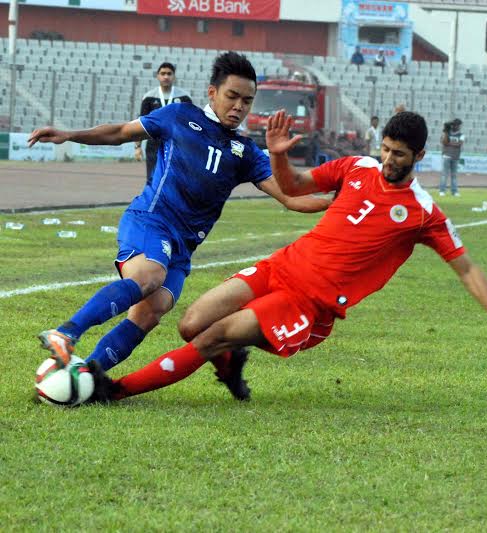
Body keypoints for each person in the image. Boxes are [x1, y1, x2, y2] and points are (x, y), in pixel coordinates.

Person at [87, 109, 487, 404]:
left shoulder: (424, 213)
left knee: (211, 337)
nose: (387, 160)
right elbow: (295, 187)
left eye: (398, 155)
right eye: (385, 149)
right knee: (192, 322)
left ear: (419, 155)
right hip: (282, 265)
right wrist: (281, 156)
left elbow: (466, 267)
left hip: (309, 303)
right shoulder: (358, 167)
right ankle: (231, 369)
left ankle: (113, 390)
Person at [28, 52, 329, 374]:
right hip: (151, 220)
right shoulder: (177, 116)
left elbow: (291, 198)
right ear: (212, 92)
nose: (239, 106)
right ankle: (65, 333)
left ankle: (88, 376)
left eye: (247, 100)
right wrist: (70, 135)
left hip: (183, 248)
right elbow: (119, 133)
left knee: (151, 312)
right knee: (149, 276)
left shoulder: (246, 152)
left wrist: (343, 199)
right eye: (232, 96)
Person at [135, 62, 193, 185]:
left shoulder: (184, 97)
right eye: (163, 74)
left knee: (174, 181)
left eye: (169, 74)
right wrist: (137, 146)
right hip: (154, 145)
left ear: (174, 76)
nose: (166, 76)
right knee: (153, 180)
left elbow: (190, 123)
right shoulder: (149, 97)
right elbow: (141, 123)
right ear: (157, 76)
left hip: (177, 144)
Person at [440, 119, 464, 197]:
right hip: (446, 155)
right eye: (455, 125)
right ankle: (442, 191)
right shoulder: (447, 133)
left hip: (455, 157)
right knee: (444, 174)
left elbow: (459, 144)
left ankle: (454, 191)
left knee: (454, 175)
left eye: (458, 125)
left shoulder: (461, 134)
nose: (457, 127)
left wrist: (449, 143)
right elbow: (443, 142)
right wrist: (446, 132)